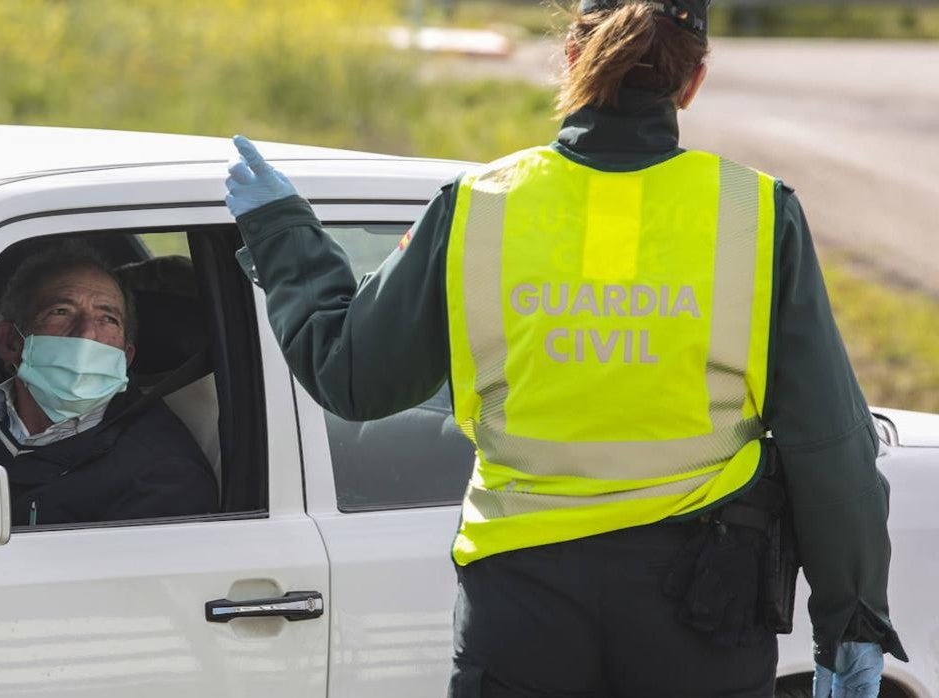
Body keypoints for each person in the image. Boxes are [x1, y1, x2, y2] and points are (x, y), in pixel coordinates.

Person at [223, 1, 906, 695]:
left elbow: (352, 376)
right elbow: (828, 442)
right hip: (704, 609)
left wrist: (282, 233)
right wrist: (851, 618)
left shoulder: (479, 203)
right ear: (692, 81)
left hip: (521, 610)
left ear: (574, 61)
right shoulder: (756, 214)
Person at [0, 242, 218, 527]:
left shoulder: (162, 476)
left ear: (126, 356)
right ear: (10, 341)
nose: (87, 333)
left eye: (108, 319)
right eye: (61, 311)